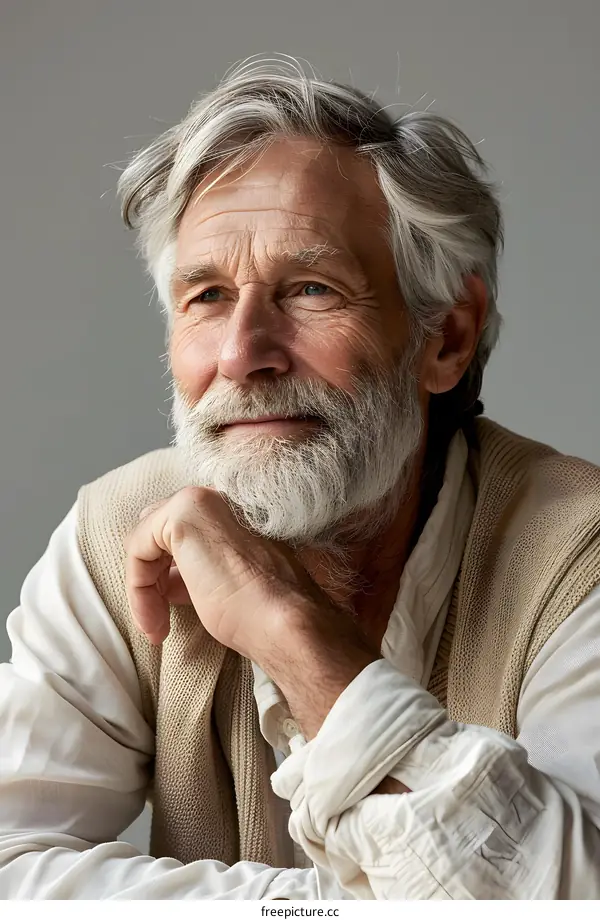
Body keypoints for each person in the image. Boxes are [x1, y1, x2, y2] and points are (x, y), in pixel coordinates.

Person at [2, 54, 600, 902]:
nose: (243, 356)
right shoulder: (117, 533)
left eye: (312, 289)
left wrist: (294, 634)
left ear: (447, 339)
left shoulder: (579, 553)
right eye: (206, 297)